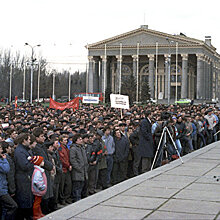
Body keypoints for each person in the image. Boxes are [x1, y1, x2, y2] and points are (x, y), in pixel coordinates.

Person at [14, 133, 34, 220]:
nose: (30, 141)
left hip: (26, 178)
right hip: (22, 179)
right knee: (24, 200)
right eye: (28, 140)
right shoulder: (20, 151)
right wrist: (33, 162)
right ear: (24, 141)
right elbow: (24, 166)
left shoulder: (24, 150)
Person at [0, 142, 17, 220]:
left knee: (4, 208)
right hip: (1, 189)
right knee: (13, 206)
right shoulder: (3, 159)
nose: (1, 150)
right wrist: (4, 160)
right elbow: (6, 169)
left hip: (3, 186)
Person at [70, 134, 88, 202]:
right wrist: (78, 168)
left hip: (83, 171)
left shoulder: (81, 147)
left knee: (82, 186)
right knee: (77, 187)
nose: (81, 140)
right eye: (79, 139)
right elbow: (73, 160)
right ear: (76, 140)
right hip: (77, 171)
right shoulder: (73, 149)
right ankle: (76, 199)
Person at [28, 156, 47, 220]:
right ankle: (36, 214)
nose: (43, 162)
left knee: (38, 202)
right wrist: (42, 187)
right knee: (37, 203)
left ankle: (39, 213)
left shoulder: (38, 170)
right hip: (38, 190)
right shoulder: (38, 172)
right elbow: (37, 181)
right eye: (42, 161)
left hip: (38, 190)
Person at [58, 135, 72, 205]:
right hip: (64, 169)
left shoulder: (66, 148)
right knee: (63, 185)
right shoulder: (60, 149)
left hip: (67, 168)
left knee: (68, 184)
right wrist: (68, 165)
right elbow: (62, 159)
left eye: (66, 140)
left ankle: (67, 198)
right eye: (64, 140)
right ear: (60, 141)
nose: (66, 141)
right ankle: (62, 199)